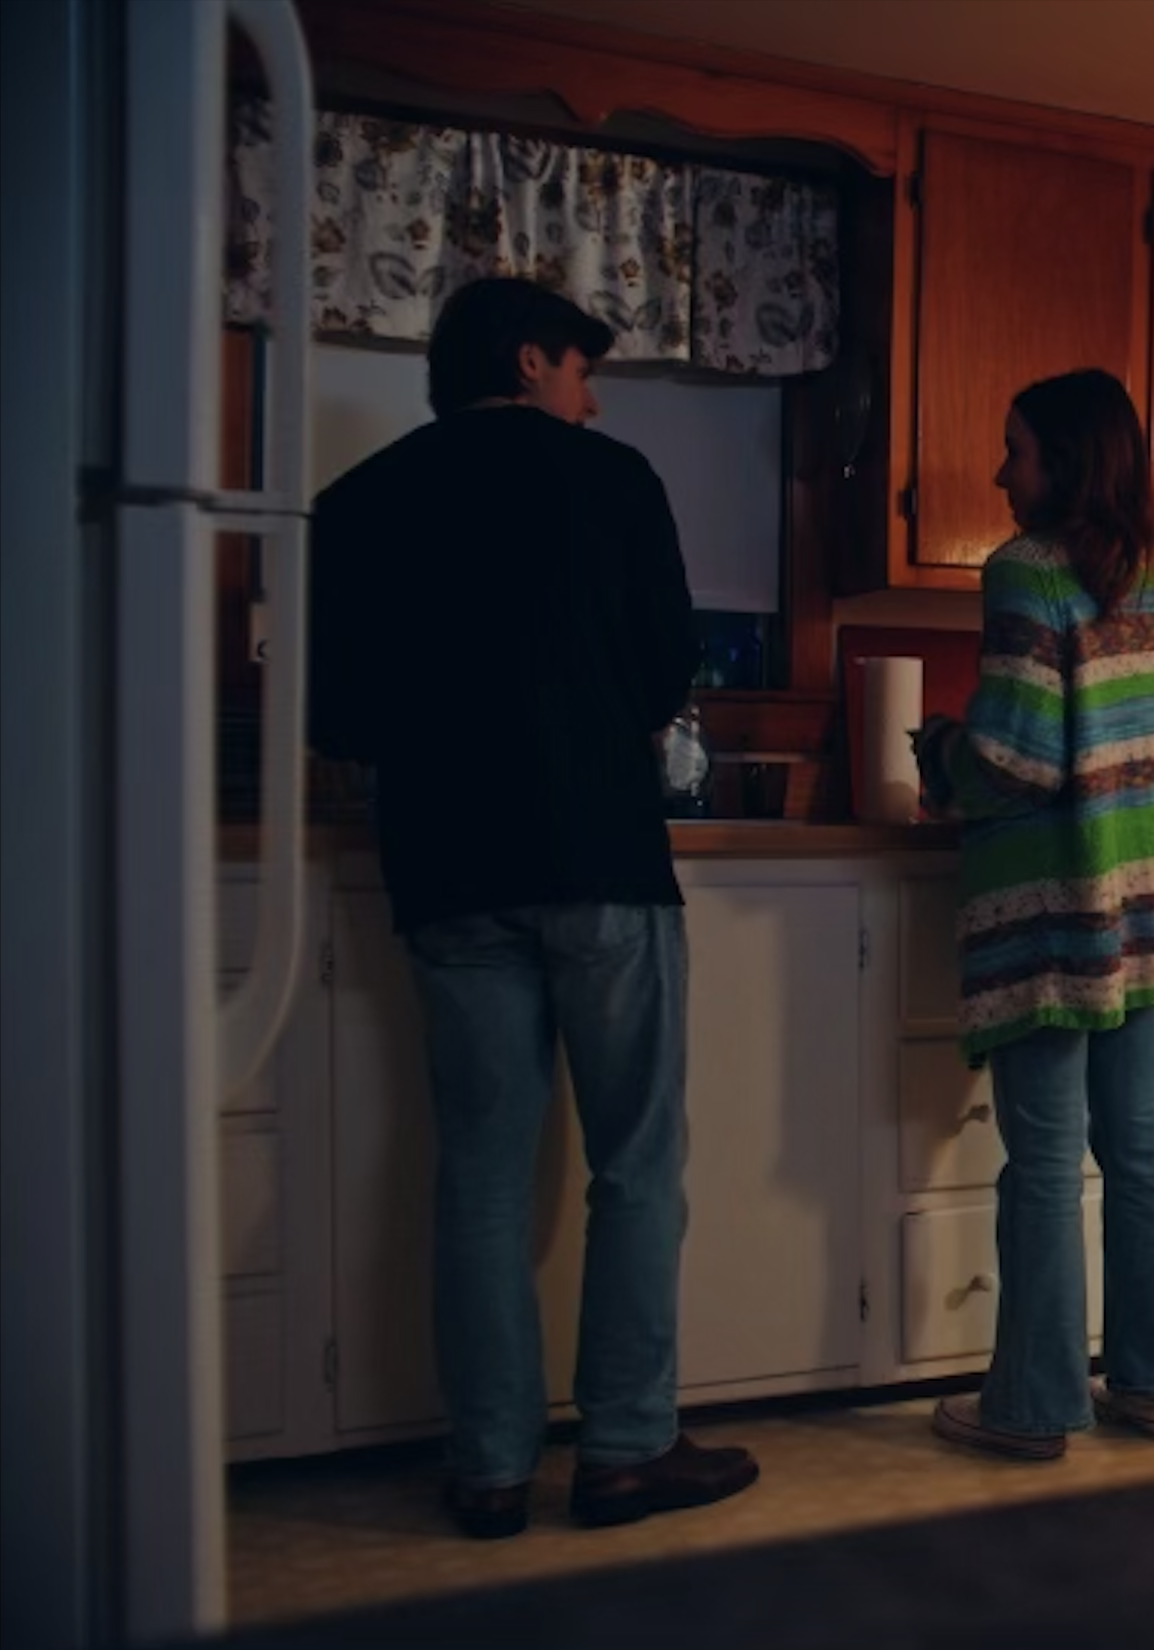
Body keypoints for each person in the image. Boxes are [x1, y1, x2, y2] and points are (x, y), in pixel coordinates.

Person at [308, 275, 759, 1538]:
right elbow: (664, 671)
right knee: (636, 1164)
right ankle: (625, 1450)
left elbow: (336, 715)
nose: (590, 397)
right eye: (580, 370)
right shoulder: (611, 481)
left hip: (447, 871)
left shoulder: (357, 503)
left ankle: (491, 1468)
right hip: (597, 853)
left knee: (479, 1176)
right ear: (527, 361)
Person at [913, 367, 1154, 1461]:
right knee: (1141, 1136)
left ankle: (1031, 1405)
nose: (997, 472)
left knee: (1047, 1157)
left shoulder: (1024, 569)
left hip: (1055, 908)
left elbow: (1014, 755)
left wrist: (940, 752)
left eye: (1013, 449)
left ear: (1062, 459)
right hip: (1152, 900)